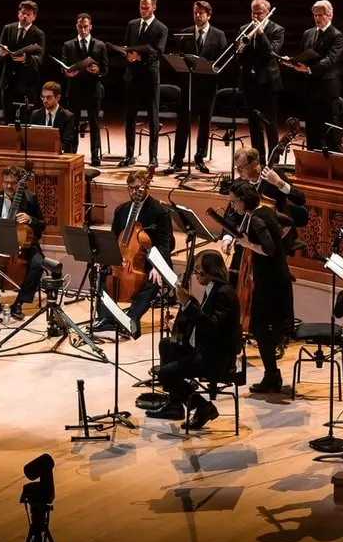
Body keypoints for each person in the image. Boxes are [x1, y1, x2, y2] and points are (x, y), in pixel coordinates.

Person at [145, 250, 241, 430]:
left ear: (211, 270)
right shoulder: (212, 288)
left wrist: (188, 305)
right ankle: (175, 405)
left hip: (217, 357)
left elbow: (212, 328)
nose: (196, 275)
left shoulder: (225, 294)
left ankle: (203, 406)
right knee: (167, 344)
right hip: (206, 348)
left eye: (199, 270)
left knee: (166, 373)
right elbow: (204, 321)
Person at [220, 181, 292, 394]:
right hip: (274, 278)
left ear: (243, 201)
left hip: (271, 283)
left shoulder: (257, 219)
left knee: (262, 331)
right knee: (262, 332)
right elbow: (288, 222)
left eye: (234, 202)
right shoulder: (264, 212)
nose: (233, 206)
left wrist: (246, 243)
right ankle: (272, 375)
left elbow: (269, 250)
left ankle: (272, 377)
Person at [90, 168, 173, 337]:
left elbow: (166, 243)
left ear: (146, 186)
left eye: (137, 188)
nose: (134, 192)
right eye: (130, 188)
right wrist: (104, 256)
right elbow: (113, 238)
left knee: (154, 280)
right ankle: (106, 317)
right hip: (123, 258)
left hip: (150, 260)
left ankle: (131, 319)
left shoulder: (159, 211)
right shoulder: (122, 210)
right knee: (98, 272)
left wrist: (158, 266)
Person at [0, 165, 47, 321]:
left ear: (20, 183)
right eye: (6, 182)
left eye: (13, 183)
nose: (9, 186)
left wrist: (30, 219)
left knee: (38, 263)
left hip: (24, 246)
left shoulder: (30, 198)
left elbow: (42, 225)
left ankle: (19, 303)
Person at [169, 1, 227, 174]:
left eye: (201, 13)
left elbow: (223, 61)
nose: (197, 16)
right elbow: (178, 56)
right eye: (195, 12)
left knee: (204, 125)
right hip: (188, 86)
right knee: (183, 124)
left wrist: (212, 67)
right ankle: (177, 160)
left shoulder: (218, 35)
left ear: (209, 15)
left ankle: (200, 158)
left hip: (207, 87)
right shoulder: (185, 33)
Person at [283, 0, 343, 152]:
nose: (317, 18)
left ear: (329, 15)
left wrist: (309, 69)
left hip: (327, 89)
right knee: (312, 129)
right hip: (310, 89)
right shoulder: (308, 33)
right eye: (315, 15)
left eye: (320, 15)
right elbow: (302, 55)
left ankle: (332, 168)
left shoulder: (336, 35)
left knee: (330, 131)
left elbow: (330, 60)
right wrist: (292, 62)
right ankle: (312, 165)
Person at [120, 0, 168, 167]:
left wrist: (139, 57)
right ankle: (129, 155)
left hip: (149, 75)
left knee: (153, 117)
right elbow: (126, 45)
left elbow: (158, 53)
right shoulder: (132, 24)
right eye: (141, 7)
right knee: (130, 117)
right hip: (132, 75)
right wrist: (128, 55)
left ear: (154, 7)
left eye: (146, 7)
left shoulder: (161, 28)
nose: (143, 10)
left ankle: (153, 157)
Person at [237, 0, 286, 157]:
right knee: (253, 123)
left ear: (267, 13)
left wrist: (261, 32)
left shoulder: (277, 30)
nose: (256, 16)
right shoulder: (244, 28)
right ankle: (258, 158)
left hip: (267, 82)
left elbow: (271, 53)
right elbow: (240, 59)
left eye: (259, 13)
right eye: (253, 12)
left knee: (269, 122)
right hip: (249, 82)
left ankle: (273, 159)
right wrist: (241, 50)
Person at [60, 12, 107, 165]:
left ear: (90, 27)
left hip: (93, 89)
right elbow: (64, 66)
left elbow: (105, 69)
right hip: (75, 89)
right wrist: (67, 72)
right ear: (76, 27)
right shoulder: (68, 45)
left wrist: (97, 70)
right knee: (72, 124)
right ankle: (72, 153)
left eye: (86, 26)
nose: (83, 29)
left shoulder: (100, 45)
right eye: (80, 26)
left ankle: (95, 155)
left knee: (94, 124)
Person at [0, 0, 44, 125]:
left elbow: (40, 58)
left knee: (25, 121)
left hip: (27, 83)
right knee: (8, 119)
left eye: (28, 14)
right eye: (23, 13)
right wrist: (1, 52)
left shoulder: (38, 34)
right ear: (18, 13)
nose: (24, 16)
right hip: (8, 81)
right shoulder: (8, 28)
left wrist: (26, 59)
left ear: (34, 16)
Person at [29, 81, 77, 153]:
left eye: (49, 97)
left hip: (59, 156)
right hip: (39, 154)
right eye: (43, 97)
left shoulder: (68, 117)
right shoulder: (35, 114)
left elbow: (67, 143)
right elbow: (31, 138)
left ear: (57, 97)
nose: (45, 100)